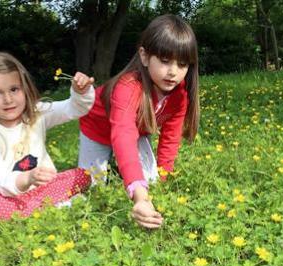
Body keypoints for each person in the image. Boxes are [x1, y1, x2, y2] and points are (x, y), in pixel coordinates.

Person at [78, 14, 199, 229]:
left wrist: (164, 177)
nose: (173, 72)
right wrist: (140, 199)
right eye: (164, 60)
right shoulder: (127, 87)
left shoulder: (180, 95)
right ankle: (113, 169)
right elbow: (123, 136)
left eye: (182, 64)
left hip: (137, 131)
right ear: (144, 56)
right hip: (97, 130)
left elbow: (170, 139)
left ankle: (123, 171)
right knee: (92, 189)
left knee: (151, 180)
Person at [0, 51, 95, 219]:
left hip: (45, 188)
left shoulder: (36, 114)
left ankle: (32, 211)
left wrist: (81, 92)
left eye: (14, 89)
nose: (8, 99)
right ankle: (49, 208)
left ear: (24, 88)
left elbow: (74, 108)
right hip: (7, 197)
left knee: (82, 175)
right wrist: (26, 179)